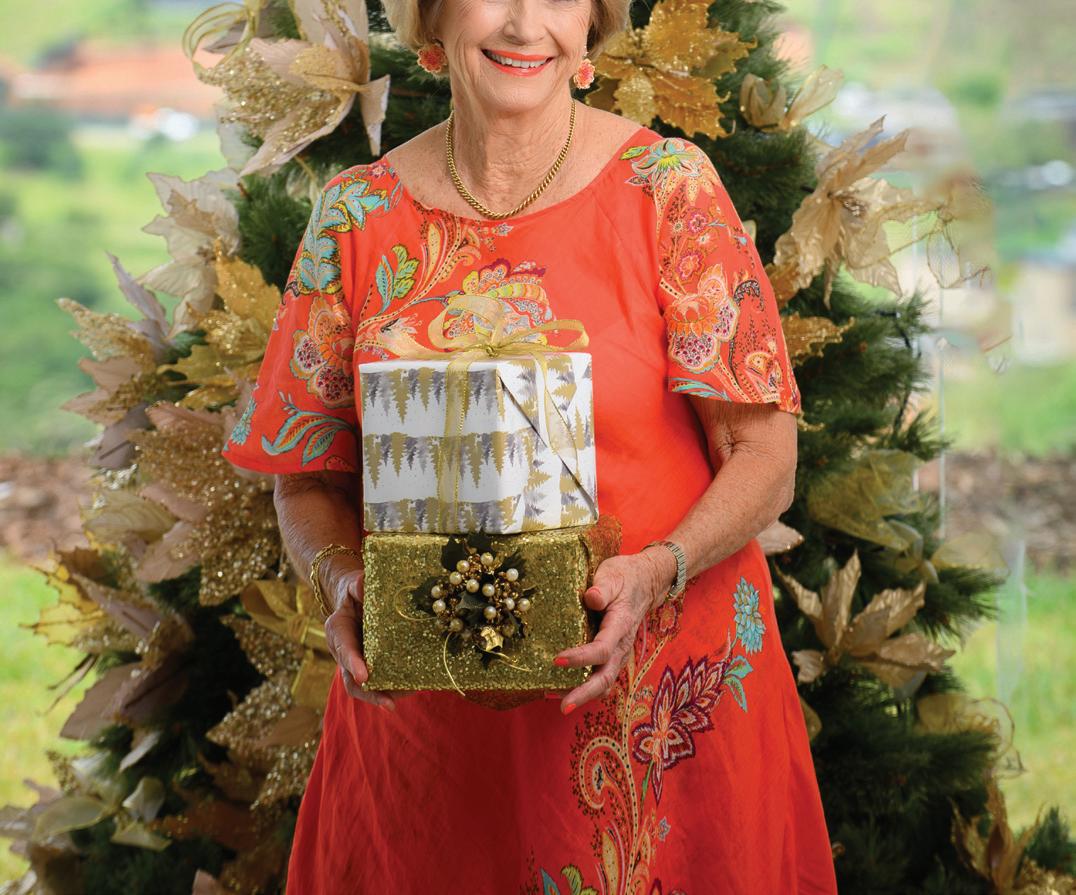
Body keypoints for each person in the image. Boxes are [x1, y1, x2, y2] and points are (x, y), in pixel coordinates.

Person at [221, 0, 839, 888]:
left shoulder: (669, 189)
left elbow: (765, 459)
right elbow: (305, 481)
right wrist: (341, 578)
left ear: (591, 25)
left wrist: (656, 569)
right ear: (433, 21)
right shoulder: (354, 216)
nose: (522, 24)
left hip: (666, 730)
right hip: (430, 754)